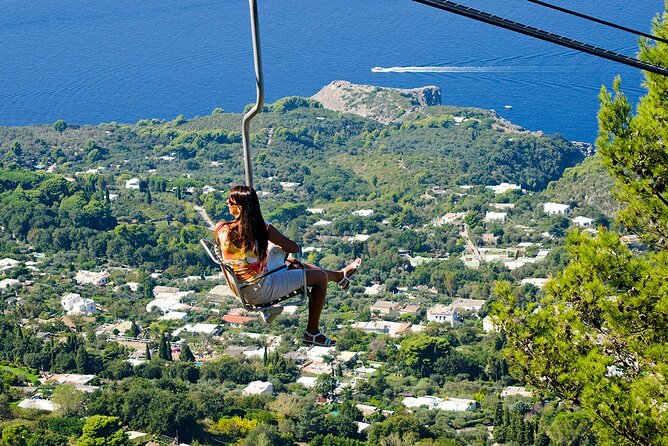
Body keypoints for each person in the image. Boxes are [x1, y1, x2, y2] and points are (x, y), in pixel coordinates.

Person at [215, 185, 361, 347]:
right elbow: (293, 248)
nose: (227, 203)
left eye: (230, 201)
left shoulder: (221, 228)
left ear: (239, 209)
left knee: (292, 264)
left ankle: (340, 276)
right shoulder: (263, 229)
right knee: (319, 277)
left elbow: (238, 254)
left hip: (240, 286)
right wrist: (269, 240)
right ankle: (312, 332)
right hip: (260, 289)